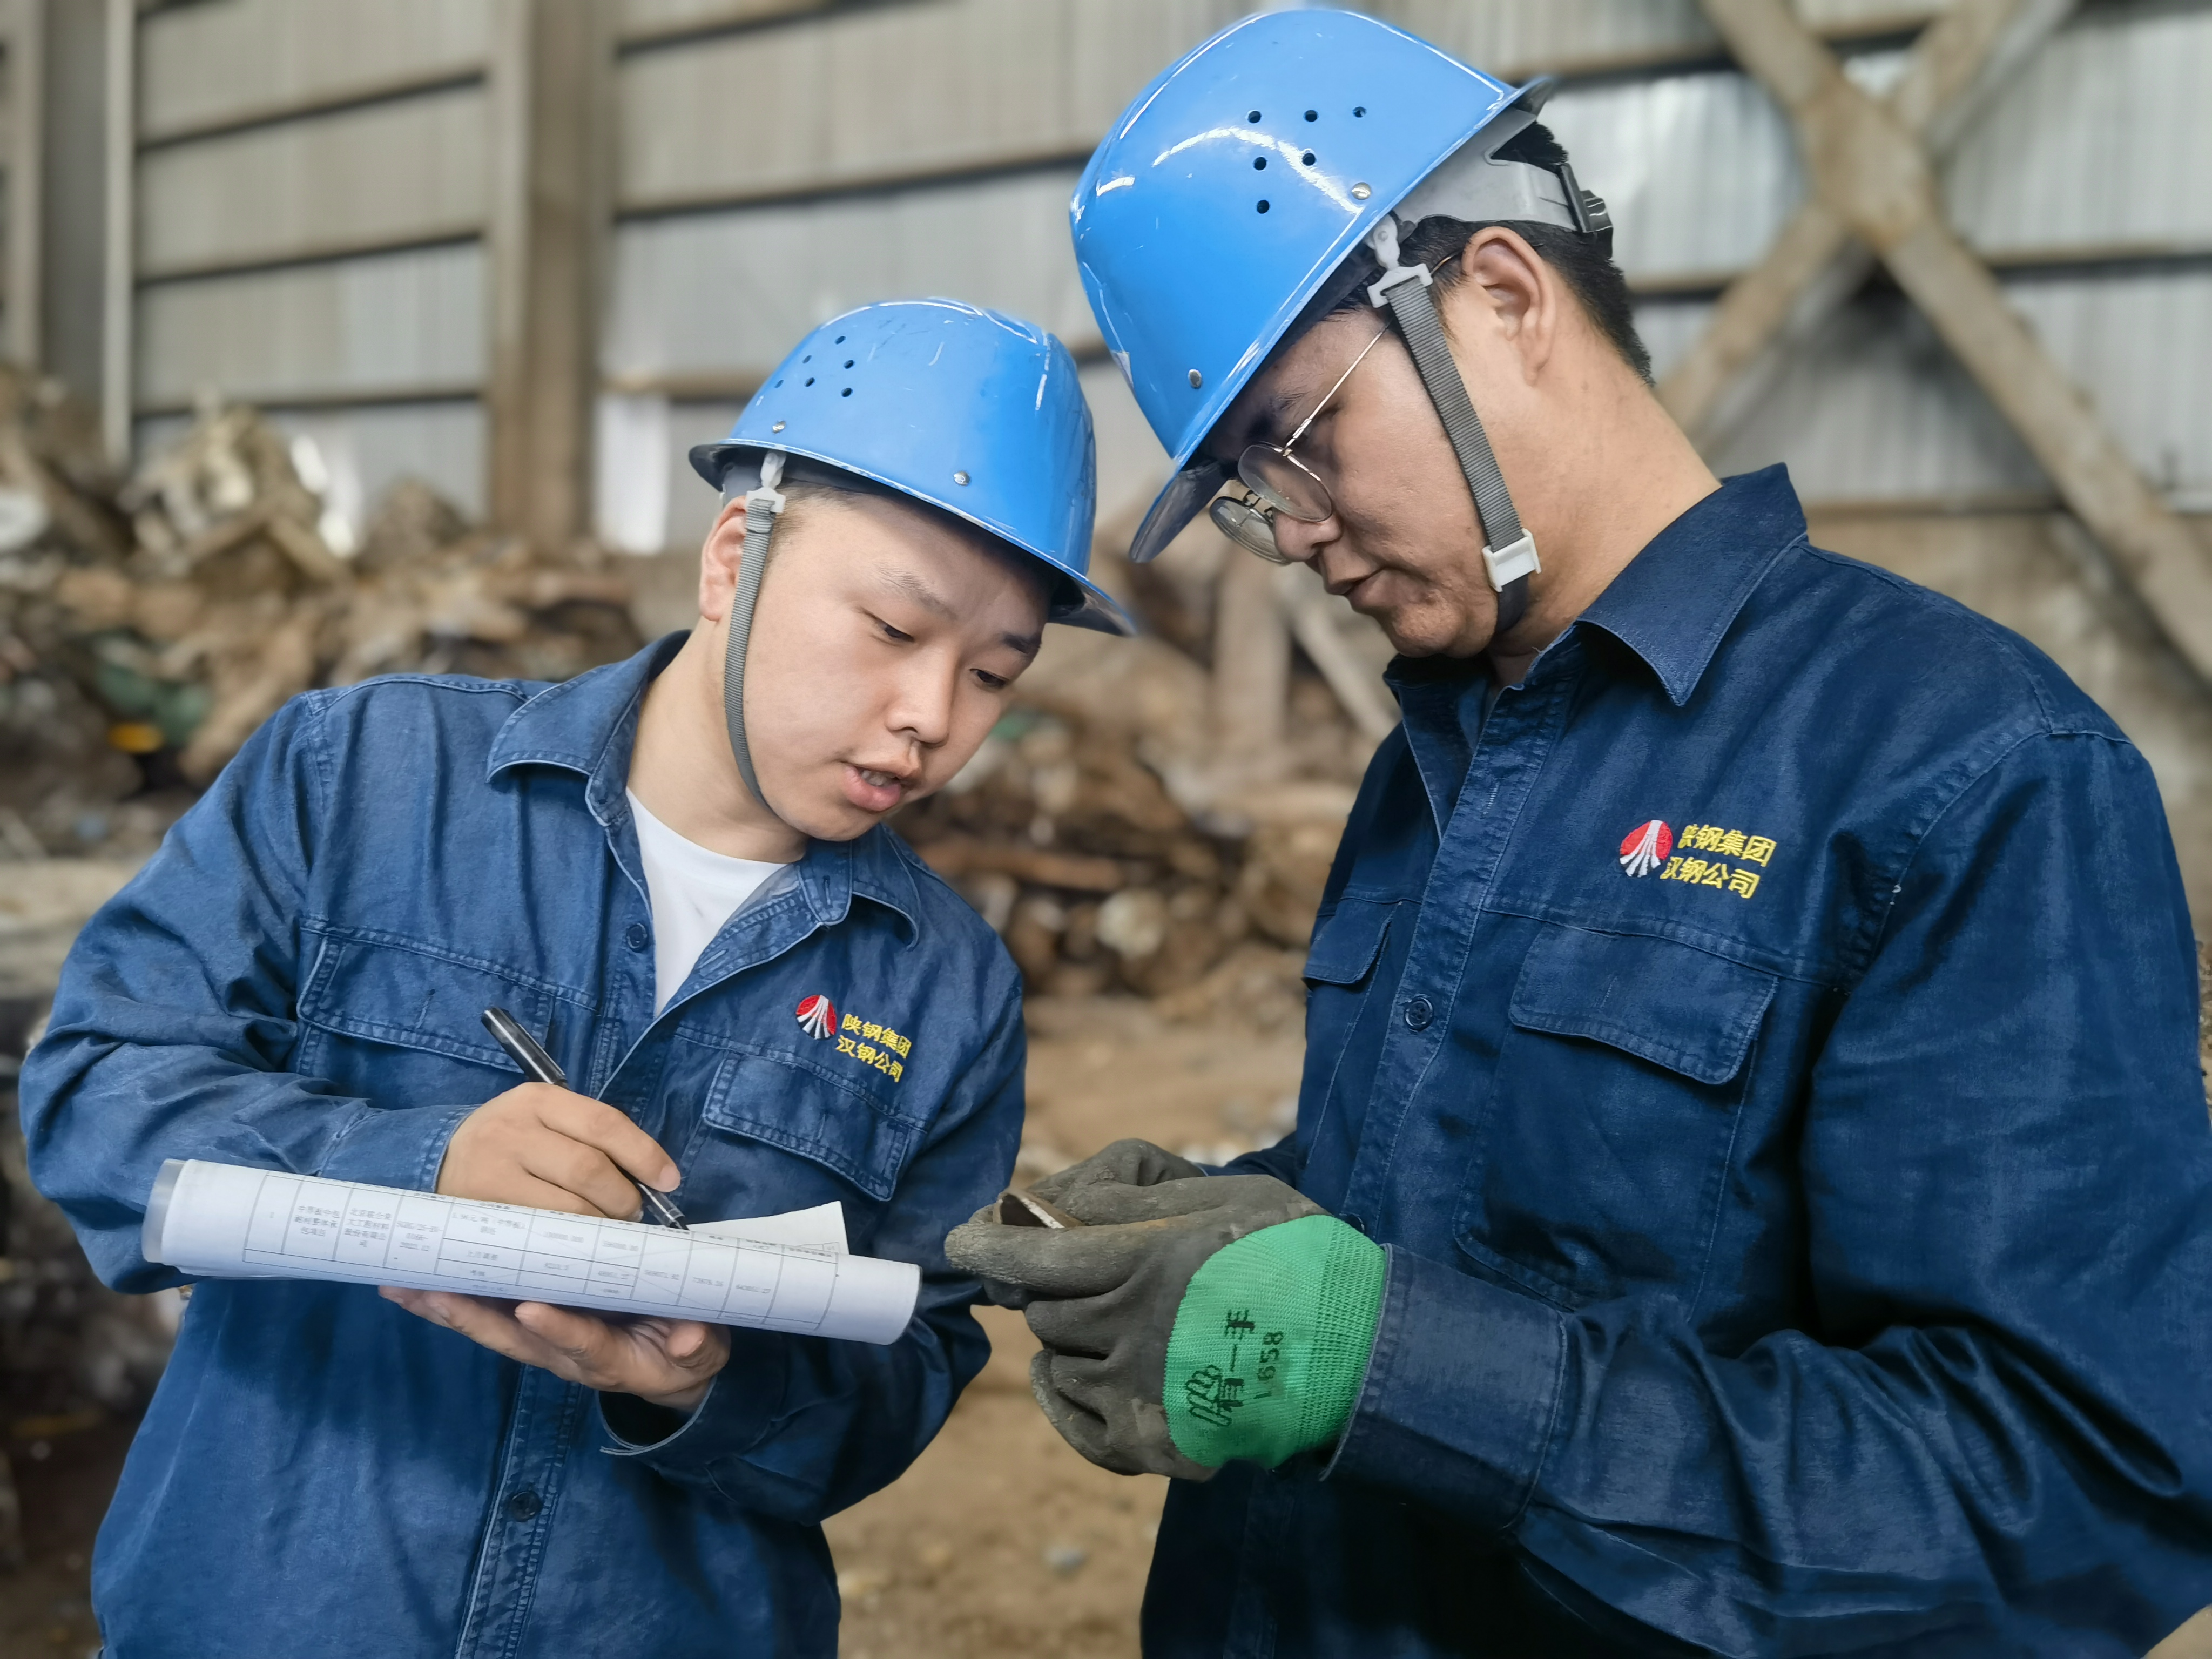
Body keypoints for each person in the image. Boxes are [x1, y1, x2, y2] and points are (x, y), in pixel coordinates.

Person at [949, 11, 2212, 1654]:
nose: (1298, 536)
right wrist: (1225, 1218)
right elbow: (1475, 1208)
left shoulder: (1961, 771)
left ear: (1503, 293)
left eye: (1301, 439)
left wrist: (1386, 1371)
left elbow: (2068, 1487)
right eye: (1253, 492)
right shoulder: (1440, 749)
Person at [23, 298, 1132, 1658]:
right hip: (270, 1610)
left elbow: (900, 1385)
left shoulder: (942, 992)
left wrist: (702, 1385)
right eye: (894, 632)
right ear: (737, 555)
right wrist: (417, 1167)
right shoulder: (362, 780)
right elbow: (95, 1100)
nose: (931, 717)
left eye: (992, 674)